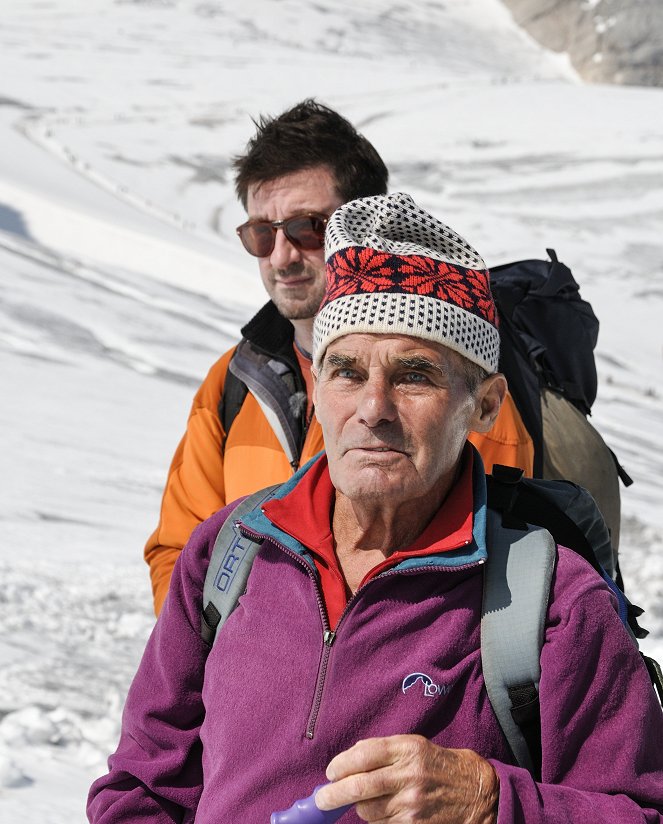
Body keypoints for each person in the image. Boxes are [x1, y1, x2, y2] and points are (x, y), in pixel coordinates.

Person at [89, 193, 663, 823]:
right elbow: (143, 787)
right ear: (316, 387)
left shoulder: (552, 600)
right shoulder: (230, 550)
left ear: (486, 404)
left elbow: (637, 811)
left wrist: (491, 803)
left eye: (415, 375)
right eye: (347, 372)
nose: (373, 409)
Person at [144, 99, 534, 615]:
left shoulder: (452, 382)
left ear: (362, 224)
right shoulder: (232, 382)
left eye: (307, 228)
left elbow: (483, 582)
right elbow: (180, 549)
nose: (282, 256)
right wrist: (219, 655)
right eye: (262, 233)